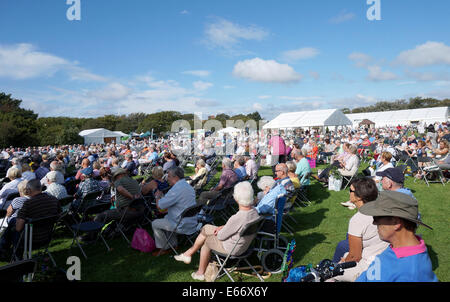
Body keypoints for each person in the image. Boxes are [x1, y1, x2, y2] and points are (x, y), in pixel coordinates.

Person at [174, 181, 261, 281]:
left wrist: (221, 229)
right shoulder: (254, 212)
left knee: (207, 241)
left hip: (232, 248)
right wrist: (224, 226)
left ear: (236, 198)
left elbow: (221, 237)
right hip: (243, 245)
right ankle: (188, 254)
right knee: (206, 227)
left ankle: (200, 273)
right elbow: (237, 226)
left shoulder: (237, 217)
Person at [356, 191, 438, 282]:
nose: (374, 222)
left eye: (376, 218)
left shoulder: (411, 273)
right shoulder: (396, 246)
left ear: (396, 222)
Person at [331, 178, 389, 282]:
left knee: (328, 274)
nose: (349, 193)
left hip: (370, 266)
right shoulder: (382, 208)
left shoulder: (358, 219)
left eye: (350, 190)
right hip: (385, 258)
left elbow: (355, 256)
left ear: (359, 196)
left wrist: (343, 262)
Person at [0, 179, 61, 256]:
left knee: (13, 222)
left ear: (28, 190)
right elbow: (59, 217)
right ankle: (3, 249)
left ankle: (4, 250)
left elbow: (18, 228)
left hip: (29, 240)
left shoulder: (28, 204)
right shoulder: (54, 199)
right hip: (47, 237)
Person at [151, 167, 198, 256]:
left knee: (155, 223)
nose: (167, 179)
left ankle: (163, 248)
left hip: (182, 224)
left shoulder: (176, 189)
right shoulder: (187, 185)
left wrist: (157, 196)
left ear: (175, 177)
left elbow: (160, 205)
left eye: (168, 176)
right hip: (192, 222)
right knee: (166, 218)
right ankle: (172, 244)